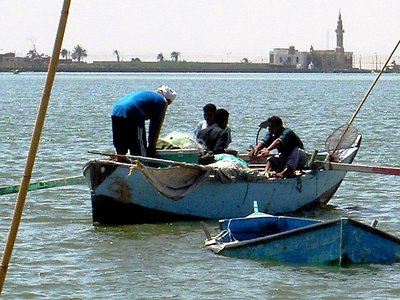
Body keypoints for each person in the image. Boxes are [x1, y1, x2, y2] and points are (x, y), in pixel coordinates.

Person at [111, 85, 176, 158]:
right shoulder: (162, 101)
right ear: (168, 100)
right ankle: (141, 162)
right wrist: (151, 147)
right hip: (133, 111)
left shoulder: (150, 96)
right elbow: (155, 127)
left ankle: (120, 159)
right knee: (138, 145)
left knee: (120, 144)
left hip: (116, 110)